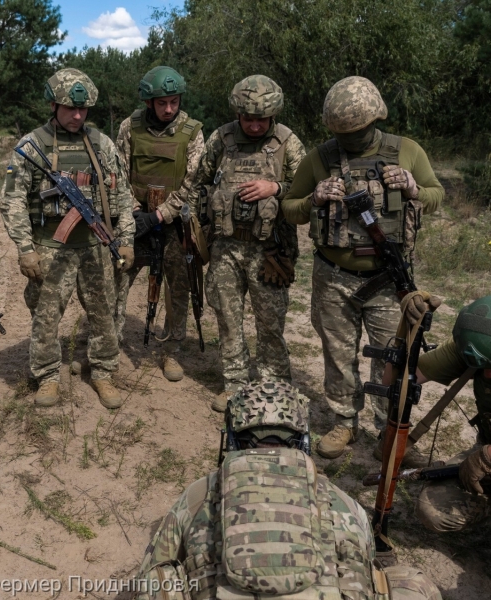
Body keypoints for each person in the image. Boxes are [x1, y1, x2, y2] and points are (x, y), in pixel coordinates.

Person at [135, 379, 442, 600]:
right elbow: (364, 560)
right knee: (407, 582)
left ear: (230, 438)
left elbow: (153, 567)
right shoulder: (344, 503)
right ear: (303, 440)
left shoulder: (198, 494)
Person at [283, 76, 444, 459]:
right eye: (343, 133)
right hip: (333, 277)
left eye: (358, 131)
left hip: (387, 280)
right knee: (338, 353)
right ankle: (344, 422)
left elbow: (436, 195)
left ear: (375, 119)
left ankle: (386, 426)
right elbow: (290, 207)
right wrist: (314, 198)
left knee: (390, 355)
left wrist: (412, 188)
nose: (351, 139)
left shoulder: (406, 151)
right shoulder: (320, 158)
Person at [0, 68, 135, 409]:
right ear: (52, 105)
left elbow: (122, 197)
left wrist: (128, 238)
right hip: (50, 247)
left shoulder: (102, 144)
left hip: (96, 246)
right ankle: (46, 376)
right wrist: (25, 249)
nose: (77, 115)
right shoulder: (31, 146)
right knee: (45, 316)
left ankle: (102, 371)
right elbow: (12, 199)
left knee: (103, 312)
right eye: (69, 108)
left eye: (83, 109)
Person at [188, 75, 305, 412]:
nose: (254, 125)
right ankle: (235, 384)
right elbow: (200, 183)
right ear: (238, 113)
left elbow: (307, 190)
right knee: (227, 318)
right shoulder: (221, 139)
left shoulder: (287, 142)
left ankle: (274, 387)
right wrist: (199, 230)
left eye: (261, 119)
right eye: (248, 118)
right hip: (226, 247)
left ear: (273, 116)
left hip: (268, 250)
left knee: (271, 323)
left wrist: (276, 189)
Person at [113, 66, 204, 381]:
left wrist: (162, 214)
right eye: (162, 103)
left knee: (179, 288)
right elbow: (118, 172)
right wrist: (134, 211)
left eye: (174, 102)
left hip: (175, 225)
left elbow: (194, 181)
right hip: (136, 220)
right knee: (118, 278)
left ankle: (171, 350)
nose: (169, 109)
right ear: (149, 102)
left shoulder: (191, 131)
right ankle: (109, 344)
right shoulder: (130, 127)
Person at [402, 295, 491, 532]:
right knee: (436, 511)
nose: (488, 376)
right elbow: (396, 380)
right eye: (486, 369)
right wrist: (407, 330)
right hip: (485, 455)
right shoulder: (476, 342)